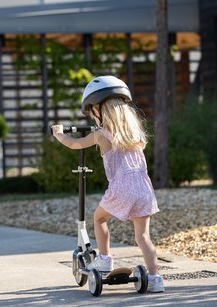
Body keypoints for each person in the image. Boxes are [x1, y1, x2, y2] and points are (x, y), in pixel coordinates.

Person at [51, 75, 164, 293]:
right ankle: (155, 278)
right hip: (144, 188)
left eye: (92, 109)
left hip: (122, 186)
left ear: (100, 110)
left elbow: (75, 145)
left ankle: (104, 258)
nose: (92, 115)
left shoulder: (102, 134)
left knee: (99, 218)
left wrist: (59, 134)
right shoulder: (135, 134)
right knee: (143, 236)